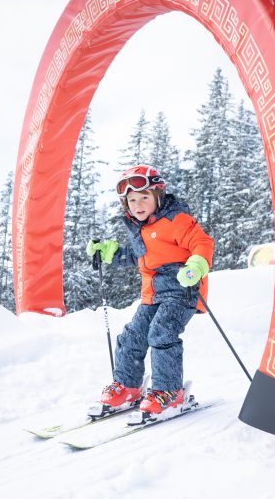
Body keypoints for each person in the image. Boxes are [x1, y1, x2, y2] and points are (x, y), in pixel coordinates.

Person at [86, 164, 215, 417]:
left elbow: (202, 242)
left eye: (144, 197)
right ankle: (128, 386)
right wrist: (110, 253)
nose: (138, 204)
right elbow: (140, 257)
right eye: (132, 199)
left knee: (161, 332)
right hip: (152, 295)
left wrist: (197, 265)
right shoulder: (140, 228)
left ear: (158, 196)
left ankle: (169, 392)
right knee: (133, 336)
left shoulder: (176, 220)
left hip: (182, 291)